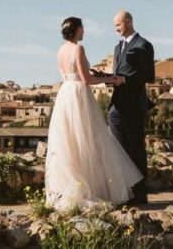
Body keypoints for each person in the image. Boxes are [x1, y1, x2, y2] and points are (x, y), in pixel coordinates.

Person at [44, 16, 143, 210]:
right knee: (89, 138)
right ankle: (93, 189)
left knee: (69, 141)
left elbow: (70, 74)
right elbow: (86, 79)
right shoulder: (78, 49)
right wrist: (110, 79)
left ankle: (69, 189)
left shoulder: (60, 50)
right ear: (77, 30)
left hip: (65, 94)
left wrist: (95, 75)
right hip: (79, 95)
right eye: (82, 28)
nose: (84, 31)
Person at [108, 9, 155, 205]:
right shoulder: (118, 48)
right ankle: (124, 192)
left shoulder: (144, 45)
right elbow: (117, 73)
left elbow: (148, 76)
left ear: (128, 21)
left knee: (135, 150)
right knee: (118, 151)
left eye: (118, 25)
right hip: (115, 107)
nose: (116, 29)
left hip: (133, 106)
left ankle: (140, 194)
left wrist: (124, 80)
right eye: (114, 26)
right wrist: (109, 79)